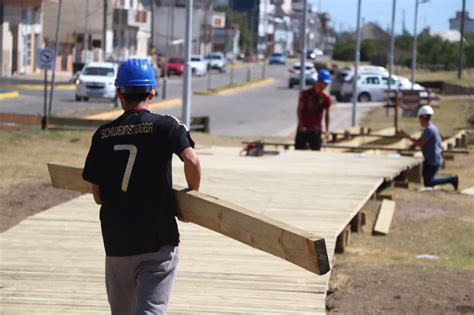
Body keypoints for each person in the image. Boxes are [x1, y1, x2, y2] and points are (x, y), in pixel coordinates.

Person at [82, 58, 201, 314]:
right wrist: (192, 194)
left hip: (116, 242)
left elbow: (98, 196)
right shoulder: (166, 125)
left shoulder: (103, 134)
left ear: (119, 93)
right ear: (152, 92)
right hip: (157, 240)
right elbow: (191, 159)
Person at [410, 105, 458, 190]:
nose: (419, 121)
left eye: (420, 119)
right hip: (432, 158)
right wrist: (414, 144)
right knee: (427, 180)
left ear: (423, 118)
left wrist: (413, 141)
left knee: (428, 183)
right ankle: (450, 180)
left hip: (433, 160)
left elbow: (421, 143)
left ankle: (452, 179)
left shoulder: (429, 130)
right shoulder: (431, 128)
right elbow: (422, 139)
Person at [295, 69, 332, 150]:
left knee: (315, 154)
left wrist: (327, 130)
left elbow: (327, 114)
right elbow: (299, 110)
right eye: (324, 83)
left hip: (316, 130)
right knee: (298, 153)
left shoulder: (326, 98)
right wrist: (301, 125)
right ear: (319, 81)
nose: (326, 86)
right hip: (303, 129)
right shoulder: (306, 94)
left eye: (327, 84)